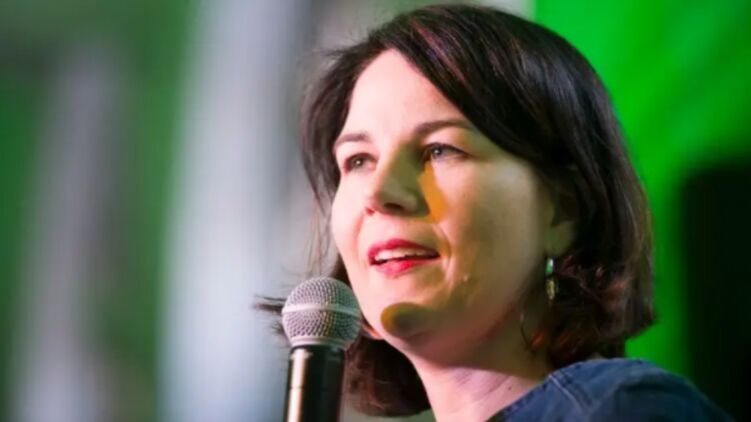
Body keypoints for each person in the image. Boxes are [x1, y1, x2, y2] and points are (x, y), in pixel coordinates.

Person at [272, 4, 732, 421]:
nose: (379, 191)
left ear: (563, 212)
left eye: (439, 149)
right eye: (358, 160)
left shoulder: (621, 411)